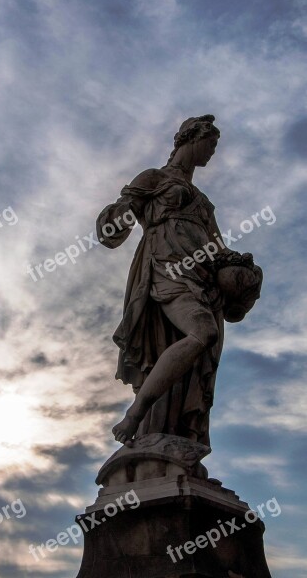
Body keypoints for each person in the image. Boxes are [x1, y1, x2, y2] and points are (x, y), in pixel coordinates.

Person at [97, 115, 239, 447]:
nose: (211, 153)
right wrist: (116, 217)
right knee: (203, 332)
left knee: (197, 356)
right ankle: (137, 414)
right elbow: (114, 226)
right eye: (210, 143)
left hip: (203, 280)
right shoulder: (154, 178)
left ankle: (170, 437)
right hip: (166, 268)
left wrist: (240, 270)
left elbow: (219, 248)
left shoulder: (202, 201)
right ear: (190, 138)